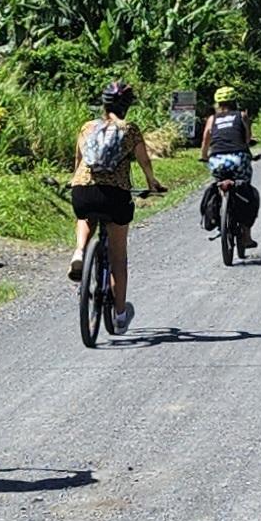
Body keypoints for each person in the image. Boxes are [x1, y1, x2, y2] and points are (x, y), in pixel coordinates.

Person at [68, 77, 164, 334]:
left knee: (84, 216)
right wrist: (152, 183)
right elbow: (144, 163)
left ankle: (79, 252)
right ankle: (120, 316)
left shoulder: (87, 127)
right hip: (115, 196)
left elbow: (78, 161)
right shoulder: (129, 129)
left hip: (83, 191)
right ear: (127, 106)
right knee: (118, 258)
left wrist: (74, 182)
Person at [199, 85, 260, 251]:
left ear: (218, 103)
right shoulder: (242, 115)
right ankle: (246, 236)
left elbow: (206, 140)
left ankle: (219, 211)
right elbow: (247, 139)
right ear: (234, 101)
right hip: (239, 159)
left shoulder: (212, 119)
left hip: (217, 161)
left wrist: (204, 156)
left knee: (218, 183)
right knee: (248, 192)